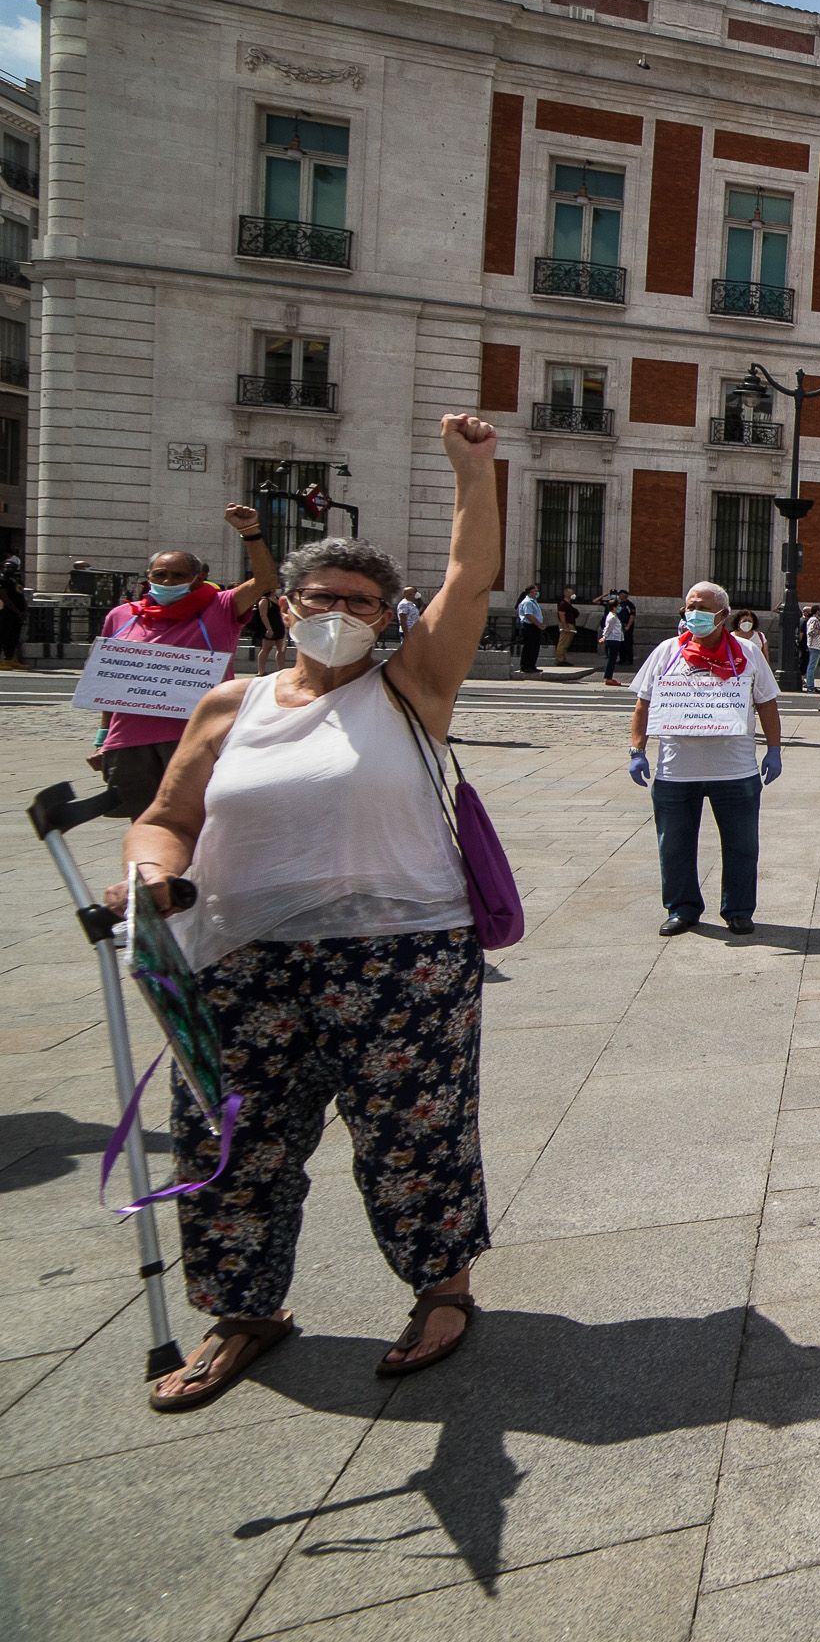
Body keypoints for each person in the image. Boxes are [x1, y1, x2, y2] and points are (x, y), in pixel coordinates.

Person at [113, 414, 501, 1412]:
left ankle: (442, 1287)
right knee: (228, 1138)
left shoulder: (410, 685)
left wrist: (472, 472)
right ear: (286, 605)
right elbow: (165, 818)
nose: (341, 611)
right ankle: (243, 1308)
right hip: (238, 957)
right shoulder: (226, 706)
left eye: (362, 601)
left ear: (386, 616)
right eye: (322, 596)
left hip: (401, 954)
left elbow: (470, 577)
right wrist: (151, 873)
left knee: (413, 1131)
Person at [89, 506, 280, 820]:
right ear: (148, 577)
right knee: (145, 824)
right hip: (130, 742)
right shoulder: (121, 617)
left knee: (202, 823)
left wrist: (251, 533)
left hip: (196, 739)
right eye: (160, 575)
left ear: (197, 579)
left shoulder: (219, 607)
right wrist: (102, 738)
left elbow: (264, 581)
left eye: (178, 575)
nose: (167, 580)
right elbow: (112, 683)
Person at [627, 582, 784, 937]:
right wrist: (637, 750)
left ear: (723, 615)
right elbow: (643, 703)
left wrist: (774, 749)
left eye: (701, 607)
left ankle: (739, 909)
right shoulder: (668, 652)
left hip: (735, 770)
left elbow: (767, 703)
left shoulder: (747, 653)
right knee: (674, 844)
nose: (692, 614)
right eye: (689, 607)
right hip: (676, 770)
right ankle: (682, 908)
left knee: (742, 845)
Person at [0, 554, 27, 670]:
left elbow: (20, 595)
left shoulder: (15, 580)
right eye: (7, 567)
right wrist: (16, 610)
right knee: (2, 636)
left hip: (17, 614)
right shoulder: (2, 579)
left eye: (11, 567)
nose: (9, 569)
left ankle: (9, 659)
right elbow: (4, 597)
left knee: (13, 637)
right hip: (5, 612)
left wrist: (24, 610)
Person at [513, 583, 544, 675]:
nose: (537, 592)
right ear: (531, 592)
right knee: (529, 647)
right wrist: (538, 624)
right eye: (536, 591)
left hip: (534, 626)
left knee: (534, 647)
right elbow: (528, 615)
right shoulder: (527, 602)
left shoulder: (534, 601)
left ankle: (532, 665)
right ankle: (526, 666)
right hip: (529, 626)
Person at [599, 597, 629, 686]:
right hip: (613, 640)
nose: (619, 607)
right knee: (612, 660)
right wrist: (604, 637)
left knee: (613, 659)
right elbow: (608, 628)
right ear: (614, 607)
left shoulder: (614, 615)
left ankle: (609, 677)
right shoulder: (612, 617)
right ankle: (608, 678)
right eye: (618, 605)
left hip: (616, 639)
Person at [554, 586, 579, 667]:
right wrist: (565, 626)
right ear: (566, 593)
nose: (573, 594)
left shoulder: (569, 604)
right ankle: (560, 659)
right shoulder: (563, 604)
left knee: (566, 643)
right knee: (563, 642)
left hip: (570, 624)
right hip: (567, 624)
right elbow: (561, 615)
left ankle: (563, 658)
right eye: (571, 593)